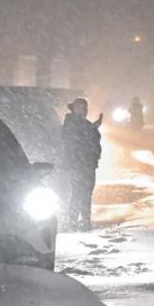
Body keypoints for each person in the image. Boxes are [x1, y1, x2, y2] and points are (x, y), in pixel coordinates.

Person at [62, 98, 102, 231]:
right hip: (75, 166)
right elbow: (75, 139)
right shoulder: (69, 124)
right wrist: (93, 128)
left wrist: (94, 159)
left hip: (88, 166)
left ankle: (85, 221)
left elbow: (95, 142)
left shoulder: (87, 125)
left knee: (86, 194)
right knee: (77, 193)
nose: (82, 110)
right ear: (73, 109)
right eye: (79, 107)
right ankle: (72, 221)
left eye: (84, 108)